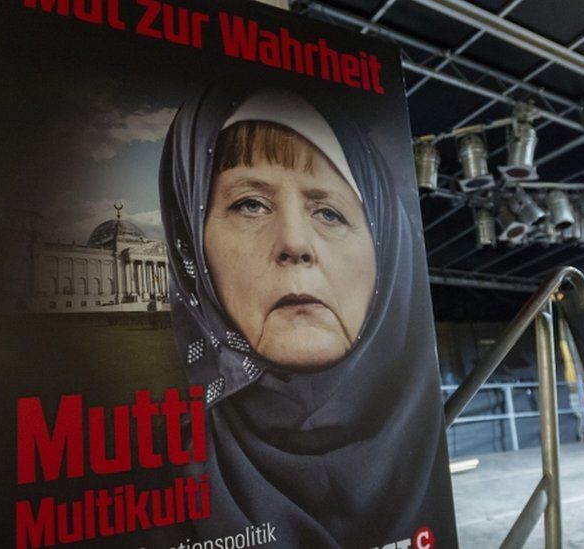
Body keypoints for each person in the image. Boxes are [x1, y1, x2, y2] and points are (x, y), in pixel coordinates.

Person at [159, 83, 456, 548]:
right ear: (192, 246)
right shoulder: (143, 489)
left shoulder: (424, 450)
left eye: (331, 213)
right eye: (250, 204)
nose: (295, 243)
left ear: (387, 249)